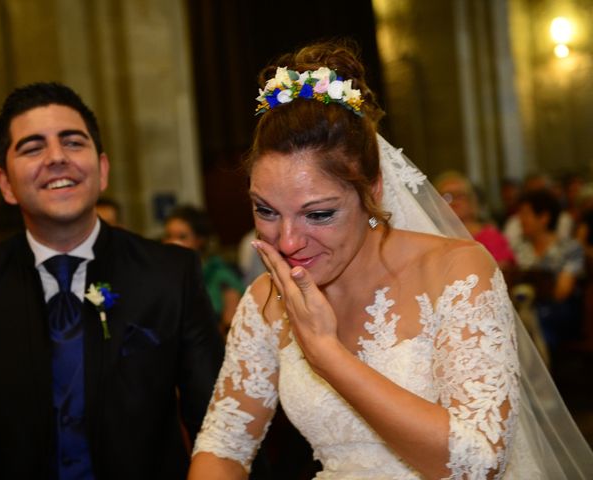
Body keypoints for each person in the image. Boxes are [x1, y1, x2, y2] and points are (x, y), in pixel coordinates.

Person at [188, 40, 593, 479]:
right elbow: (222, 446)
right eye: (266, 210)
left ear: (373, 191)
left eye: (319, 214)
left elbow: (477, 462)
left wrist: (327, 354)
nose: (286, 242)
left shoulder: (456, 272)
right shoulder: (266, 300)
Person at [0, 82, 224, 479]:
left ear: (103, 170)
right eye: (32, 148)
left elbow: (221, 426)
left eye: (73, 142)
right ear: (6, 184)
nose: (57, 158)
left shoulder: (170, 274)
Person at [510, 188, 585, 354]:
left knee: (534, 319)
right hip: (524, 307)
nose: (520, 220)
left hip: (558, 311)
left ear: (543, 218)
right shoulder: (519, 249)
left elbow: (562, 292)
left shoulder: (570, 248)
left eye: (525, 214)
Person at [163, 205, 245, 335]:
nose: (173, 243)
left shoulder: (220, 275)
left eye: (182, 237)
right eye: (169, 236)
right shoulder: (163, 275)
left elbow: (231, 326)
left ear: (199, 240)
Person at [434, 170, 516, 270]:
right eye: (447, 197)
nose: (454, 202)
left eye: (460, 196)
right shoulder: (431, 235)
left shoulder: (489, 236)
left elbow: (503, 273)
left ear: (471, 201)